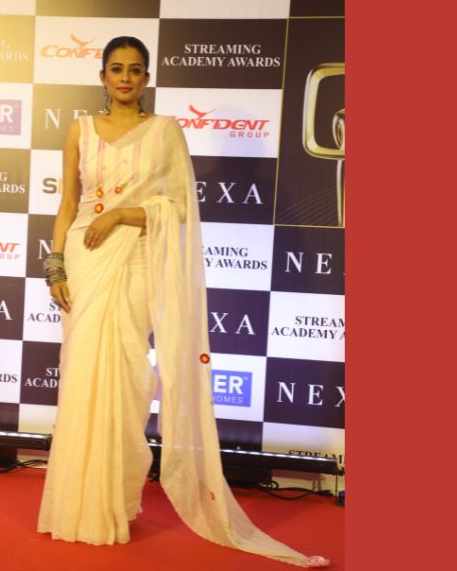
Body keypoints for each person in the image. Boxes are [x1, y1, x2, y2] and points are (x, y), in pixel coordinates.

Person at [37, 36, 329, 568]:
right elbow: (68, 203)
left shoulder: (165, 131)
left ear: (146, 79)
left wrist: (121, 215)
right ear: (102, 76)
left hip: (137, 258)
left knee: (126, 379)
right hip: (85, 259)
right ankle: (76, 505)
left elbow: (178, 208)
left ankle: (111, 504)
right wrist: (55, 263)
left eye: (135, 70)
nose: (126, 78)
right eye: (116, 69)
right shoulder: (80, 129)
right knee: (82, 378)